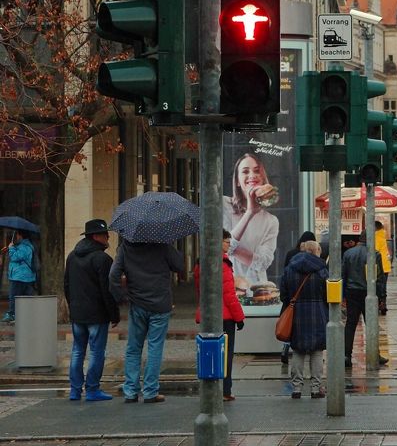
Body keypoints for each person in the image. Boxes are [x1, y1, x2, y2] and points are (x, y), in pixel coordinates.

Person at [109, 238, 184, 403]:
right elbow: (179, 266)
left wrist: (121, 298)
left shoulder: (126, 247)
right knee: (155, 348)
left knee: (133, 348)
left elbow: (113, 275)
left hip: (137, 304)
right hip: (160, 303)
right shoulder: (163, 245)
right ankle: (150, 391)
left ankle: (130, 391)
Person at [64, 219, 120, 401]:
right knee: (96, 351)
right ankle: (93, 389)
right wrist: (114, 314)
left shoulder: (72, 256)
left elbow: (67, 285)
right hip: (97, 313)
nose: (108, 237)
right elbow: (108, 290)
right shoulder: (102, 259)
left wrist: (72, 306)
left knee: (77, 350)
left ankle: (74, 389)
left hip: (78, 313)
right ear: (96, 236)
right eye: (105, 234)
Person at [194, 229, 245, 401]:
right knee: (225, 354)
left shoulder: (201, 262)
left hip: (208, 315)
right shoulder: (223, 264)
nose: (229, 244)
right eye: (226, 241)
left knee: (209, 353)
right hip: (225, 317)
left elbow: (199, 289)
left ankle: (210, 389)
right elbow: (229, 294)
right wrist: (239, 317)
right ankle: (225, 391)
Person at [280, 240, 329, 399]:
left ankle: (296, 388)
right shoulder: (321, 270)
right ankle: (316, 388)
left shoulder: (290, 269)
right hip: (318, 313)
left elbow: (284, 295)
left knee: (298, 350)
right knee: (316, 351)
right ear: (316, 251)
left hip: (297, 314)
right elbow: (328, 294)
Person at [223, 153, 279, 289]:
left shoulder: (271, 221)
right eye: (245, 171)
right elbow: (224, 247)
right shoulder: (224, 204)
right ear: (237, 180)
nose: (252, 175)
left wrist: (232, 249)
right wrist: (249, 212)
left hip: (257, 289)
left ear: (263, 178)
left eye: (256, 171)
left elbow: (263, 263)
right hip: (228, 285)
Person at [342, 232, 388, 367]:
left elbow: (343, 274)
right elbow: (379, 278)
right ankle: (375, 354)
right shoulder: (375, 254)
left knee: (350, 324)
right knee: (371, 324)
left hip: (352, 292)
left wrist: (343, 295)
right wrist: (381, 297)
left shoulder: (349, 253)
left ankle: (346, 355)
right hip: (369, 292)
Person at [279, 231, 316, 365]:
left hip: (291, 299)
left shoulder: (290, 254)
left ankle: (285, 348)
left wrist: (285, 298)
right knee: (303, 329)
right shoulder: (313, 259)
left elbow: (284, 278)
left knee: (289, 326)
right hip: (306, 300)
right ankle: (306, 354)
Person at [1, 230, 36, 323]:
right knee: (24, 297)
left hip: (20, 277)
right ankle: (24, 316)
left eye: (17, 234)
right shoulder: (23, 246)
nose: (16, 236)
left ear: (21, 235)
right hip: (23, 276)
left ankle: (12, 314)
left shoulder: (25, 247)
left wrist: (11, 248)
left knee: (14, 296)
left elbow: (15, 257)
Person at [374, 221, 391, 314]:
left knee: (377, 286)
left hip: (379, 266)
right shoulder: (383, 236)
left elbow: (375, 252)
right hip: (386, 265)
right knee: (383, 286)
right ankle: (383, 304)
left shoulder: (376, 237)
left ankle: (380, 304)